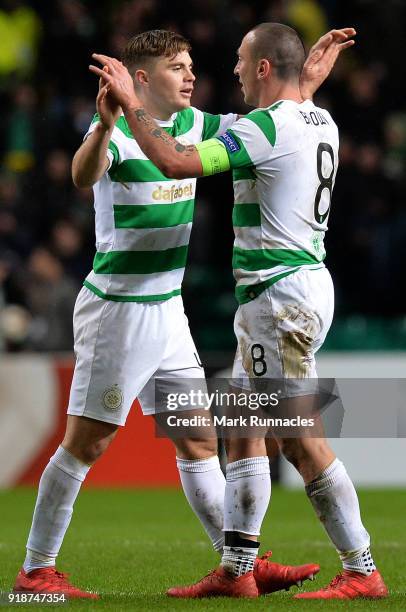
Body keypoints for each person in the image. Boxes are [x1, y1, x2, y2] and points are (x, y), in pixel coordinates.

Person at [14, 28, 353, 600]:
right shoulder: (121, 133)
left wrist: (302, 83)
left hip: (168, 310)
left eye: (192, 64)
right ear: (140, 81)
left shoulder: (197, 125)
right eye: (177, 67)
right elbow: (80, 176)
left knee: (197, 443)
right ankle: (35, 571)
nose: (192, 75)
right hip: (119, 313)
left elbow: (272, 124)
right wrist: (103, 124)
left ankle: (236, 565)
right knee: (85, 444)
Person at [90, 22, 388, 601]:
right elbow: (291, 114)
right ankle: (237, 568)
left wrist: (130, 104)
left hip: (279, 296)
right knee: (246, 429)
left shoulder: (265, 127)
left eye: (238, 60)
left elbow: (176, 161)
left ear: (261, 69)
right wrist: (305, 84)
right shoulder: (317, 117)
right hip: (291, 288)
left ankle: (361, 568)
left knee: (299, 438)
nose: (229, 71)